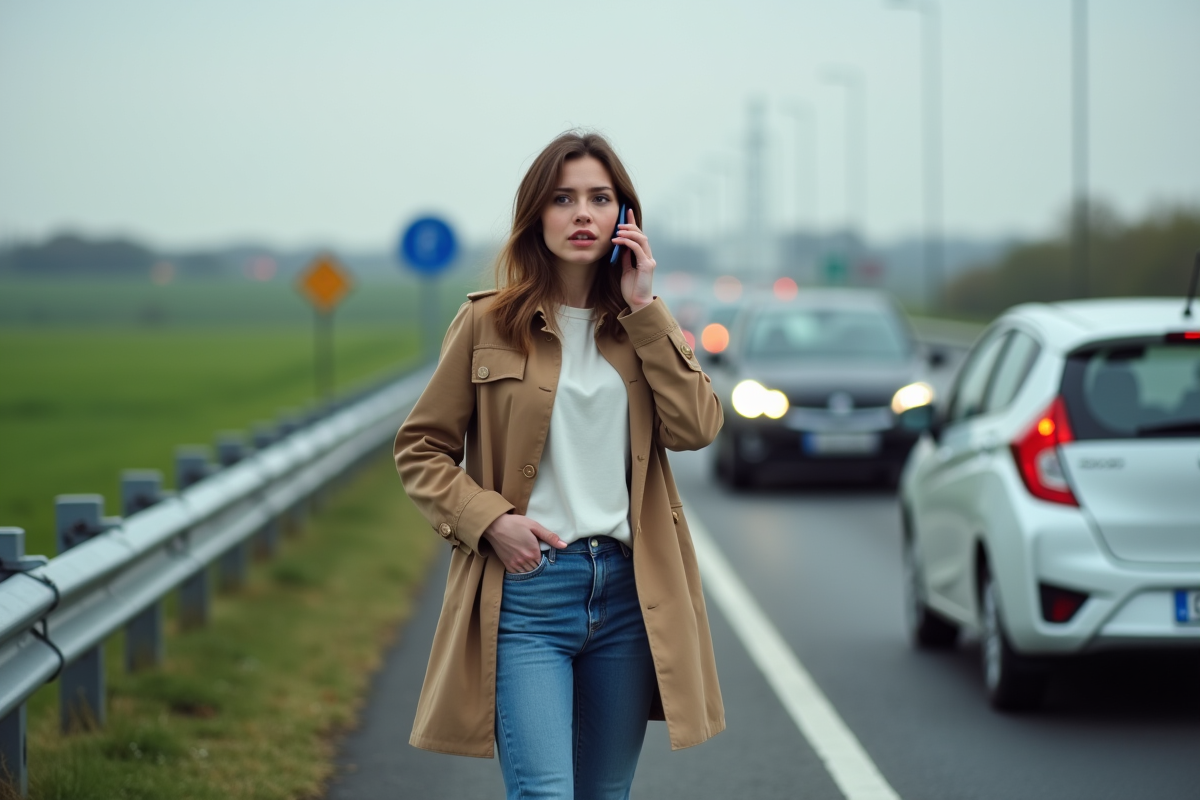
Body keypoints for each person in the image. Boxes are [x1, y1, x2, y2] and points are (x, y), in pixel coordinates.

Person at [393, 131, 725, 799]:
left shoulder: (643, 328)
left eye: (600, 199)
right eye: (563, 198)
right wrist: (489, 521)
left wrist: (644, 308)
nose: (582, 214)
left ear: (624, 220)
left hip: (629, 595)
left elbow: (696, 427)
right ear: (535, 215)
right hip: (528, 594)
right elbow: (421, 448)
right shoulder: (486, 323)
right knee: (544, 794)